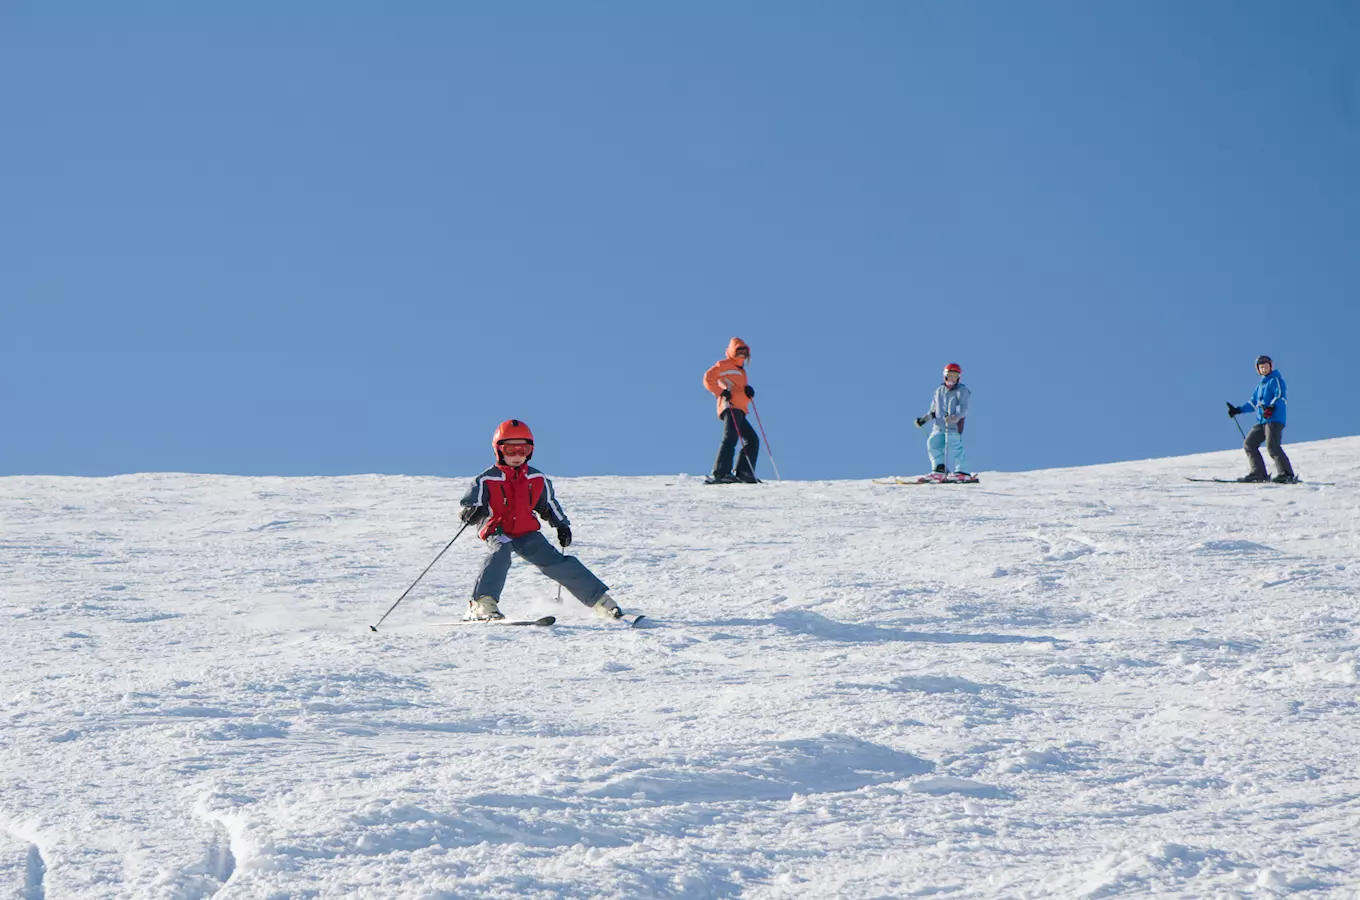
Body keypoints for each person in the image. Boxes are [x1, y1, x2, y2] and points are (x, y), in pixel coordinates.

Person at [458, 419, 624, 620]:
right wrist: (471, 513)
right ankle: (481, 604)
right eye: (511, 450)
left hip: (526, 531)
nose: (518, 455)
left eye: (524, 450)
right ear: (499, 450)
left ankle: (601, 601)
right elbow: (469, 505)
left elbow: (548, 505)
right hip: (498, 529)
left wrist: (561, 525)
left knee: (556, 562)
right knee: (500, 554)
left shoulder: (536, 478)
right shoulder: (486, 479)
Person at [1228, 355, 1296, 483]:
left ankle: (1286, 474)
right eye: (1261, 367)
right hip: (1262, 421)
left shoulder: (1275, 380)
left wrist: (1271, 407)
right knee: (1249, 444)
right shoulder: (1259, 386)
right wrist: (1237, 410)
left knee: (1272, 446)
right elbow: (1253, 404)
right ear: (1258, 370)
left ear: (1271, 366)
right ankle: (1258, 473)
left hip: (1274, 419)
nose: (1264, 369)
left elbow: (1280, 396)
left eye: (1266, 366)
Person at [702, 337, 760, 484]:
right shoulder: (725, 364)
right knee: (731, 438)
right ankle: (721, 473)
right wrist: (721, 392)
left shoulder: (740, 370)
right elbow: (708, 378)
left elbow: (736, 387)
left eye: (744, 351)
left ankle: (744, 472)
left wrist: (747, 392)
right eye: (739, 351)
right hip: (730, 407)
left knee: (752, 440)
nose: (742, 354)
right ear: (732, 351)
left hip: (740, 409)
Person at [914, 363, 971, 477]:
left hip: (953, 425)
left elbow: (964, 409)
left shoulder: (962, 390)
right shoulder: (939, 391)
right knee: (933, 443)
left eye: (955, 375)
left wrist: (955, 417)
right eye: (950, 375)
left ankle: (962, 471)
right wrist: (924, 420)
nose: (952, 378)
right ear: (945, 376)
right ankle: (939, 469)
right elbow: (933, 410)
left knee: (954, 445)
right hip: (939, 426)